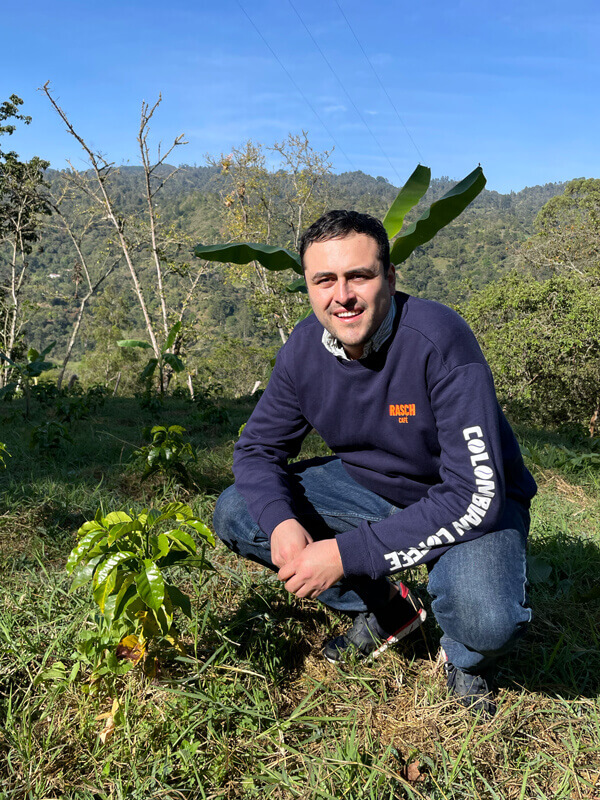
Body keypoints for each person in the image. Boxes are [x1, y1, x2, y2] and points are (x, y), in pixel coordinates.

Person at [213, 210, 536, 717]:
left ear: (389, 277)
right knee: (238, 512)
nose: (341, 295)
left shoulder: (440, 341)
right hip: (370, 491)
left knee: (487, 619)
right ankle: (390, 607)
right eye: (324, 280)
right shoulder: (303, 349)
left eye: (358, 276)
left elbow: (474, 495)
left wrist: (343, 555)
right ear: (308, 286)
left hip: (470, 505)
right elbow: (257, 449)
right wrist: (281, 523)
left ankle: (464, 657)